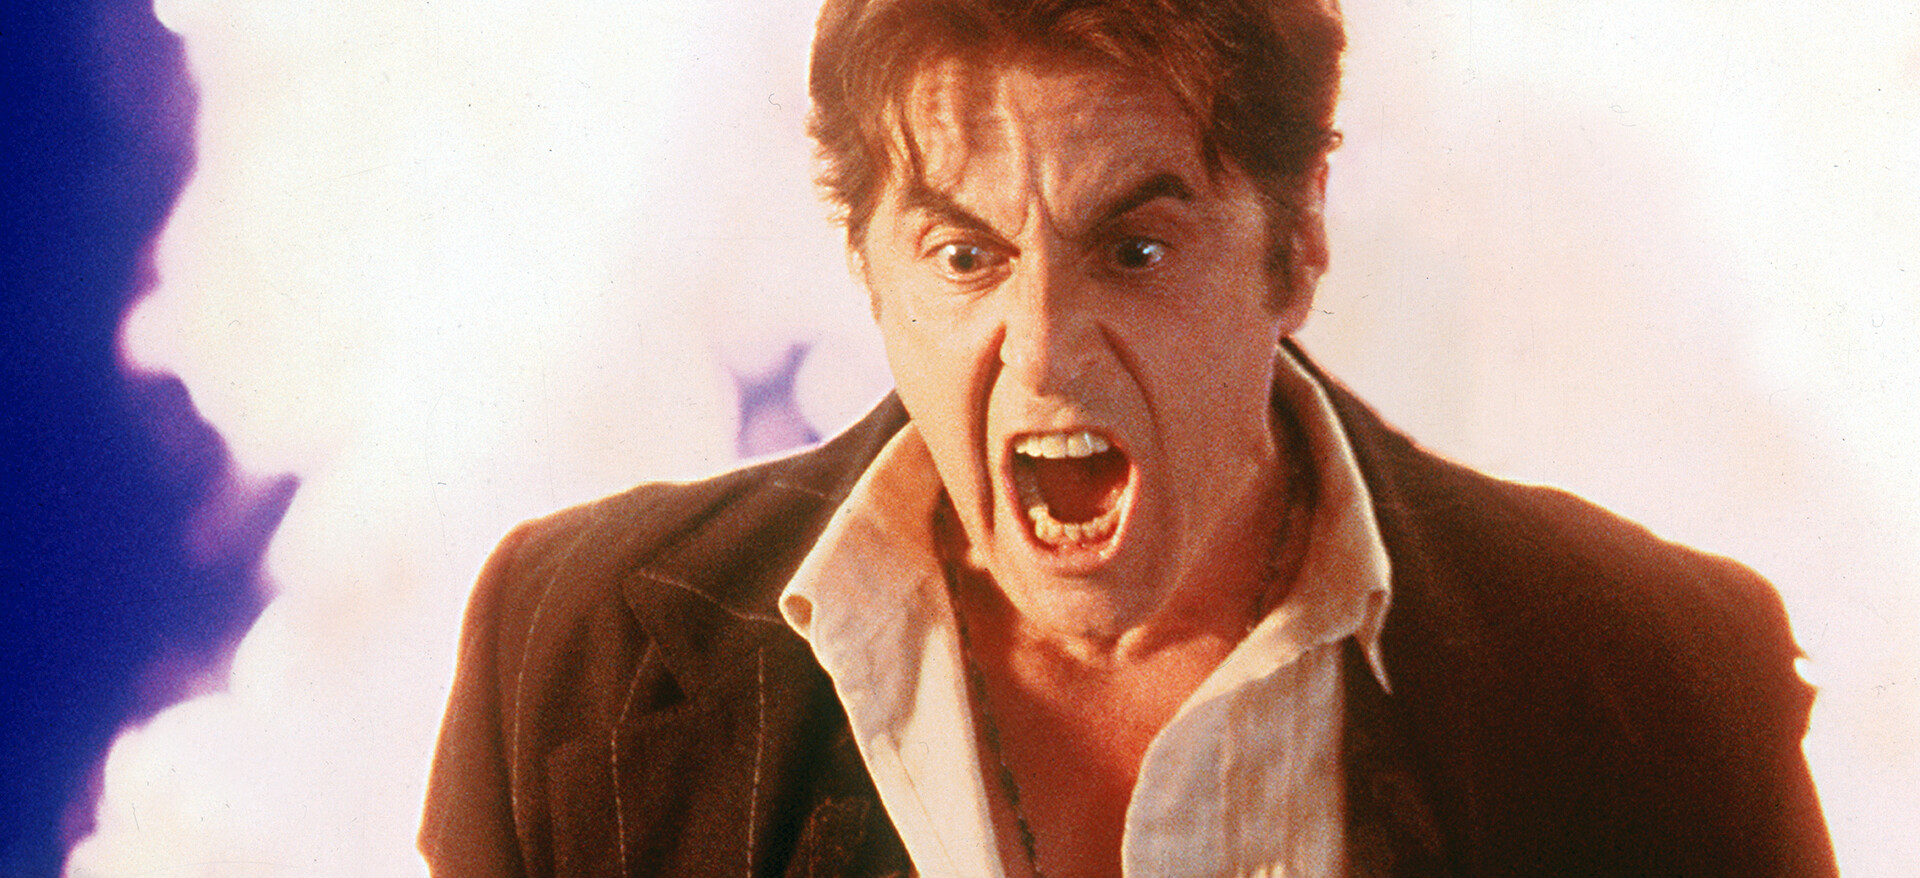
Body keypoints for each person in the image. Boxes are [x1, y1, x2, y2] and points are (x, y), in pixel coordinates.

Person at [419, 0, 1836, 875]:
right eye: (965, 256)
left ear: (1296, 245)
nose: (1044, 349)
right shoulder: (574, 657)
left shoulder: (1662, 686)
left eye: (1136, 251)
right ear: (867, 265)